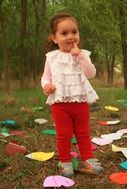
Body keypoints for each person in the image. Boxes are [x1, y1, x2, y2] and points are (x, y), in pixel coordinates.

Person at [41, 12, 104, 177]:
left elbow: (90, 73)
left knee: (83, 132)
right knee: (64, 134)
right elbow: (45, 76)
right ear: (54, 38)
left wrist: (81, 57)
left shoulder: (82, 54)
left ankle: (88, 159)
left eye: (74, 32)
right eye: (64, 33)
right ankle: (65, 161)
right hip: (60, 103)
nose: (70, 36)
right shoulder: (52, 57)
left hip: (80, 101)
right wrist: (46, 85)